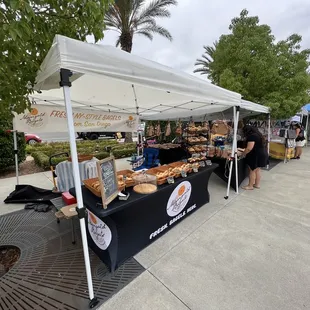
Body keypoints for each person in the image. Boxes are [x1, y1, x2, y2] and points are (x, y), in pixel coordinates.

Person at [239, 125, 268, 190]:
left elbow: (249, 148)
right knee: (257, 170)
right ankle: (257, 184)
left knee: (252, 170)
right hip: (262, 153)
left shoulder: (252, 136)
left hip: (256, 155)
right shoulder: (258, 135)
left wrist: (243, 154)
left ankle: (250, 186)